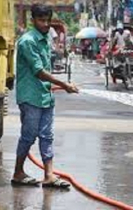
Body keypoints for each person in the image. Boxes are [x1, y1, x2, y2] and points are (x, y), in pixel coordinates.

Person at [12, 4, 78, 188]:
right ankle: (18, 172)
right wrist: (64, 84)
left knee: (47, 136)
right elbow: (39, 71)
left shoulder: (44, 39)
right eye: (41, 20)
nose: (45, 24)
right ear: (33, 20)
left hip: (45, 95)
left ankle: (49, 175)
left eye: (48, 20)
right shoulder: (27, 41)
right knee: (29, 136)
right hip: (30, 96)